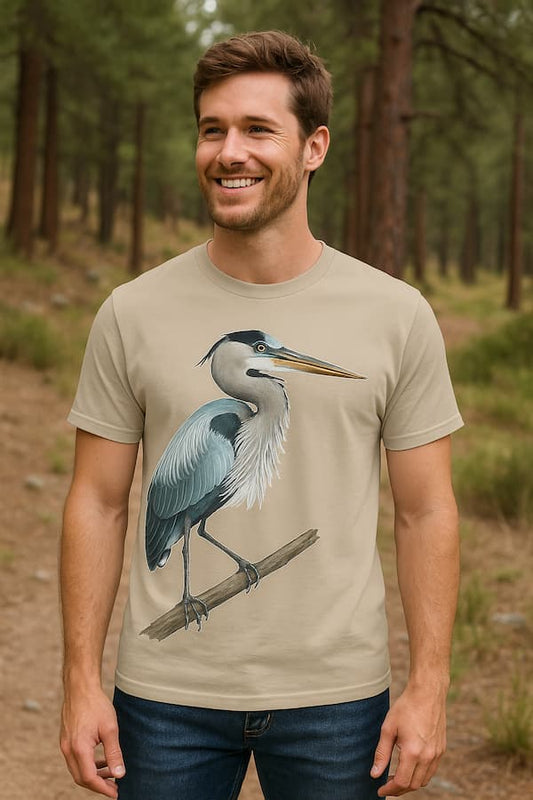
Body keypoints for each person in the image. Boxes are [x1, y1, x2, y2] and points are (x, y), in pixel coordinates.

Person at [59, 30, 463, 800]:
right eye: (212, 129)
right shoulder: (131, 311)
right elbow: (100, 500)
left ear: (313, 147)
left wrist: (430, 686)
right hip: (165, 696)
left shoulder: (395, 313)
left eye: (256, 130)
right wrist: (80, 682)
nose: (228, 151)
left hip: (339, 700)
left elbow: (426, 510)